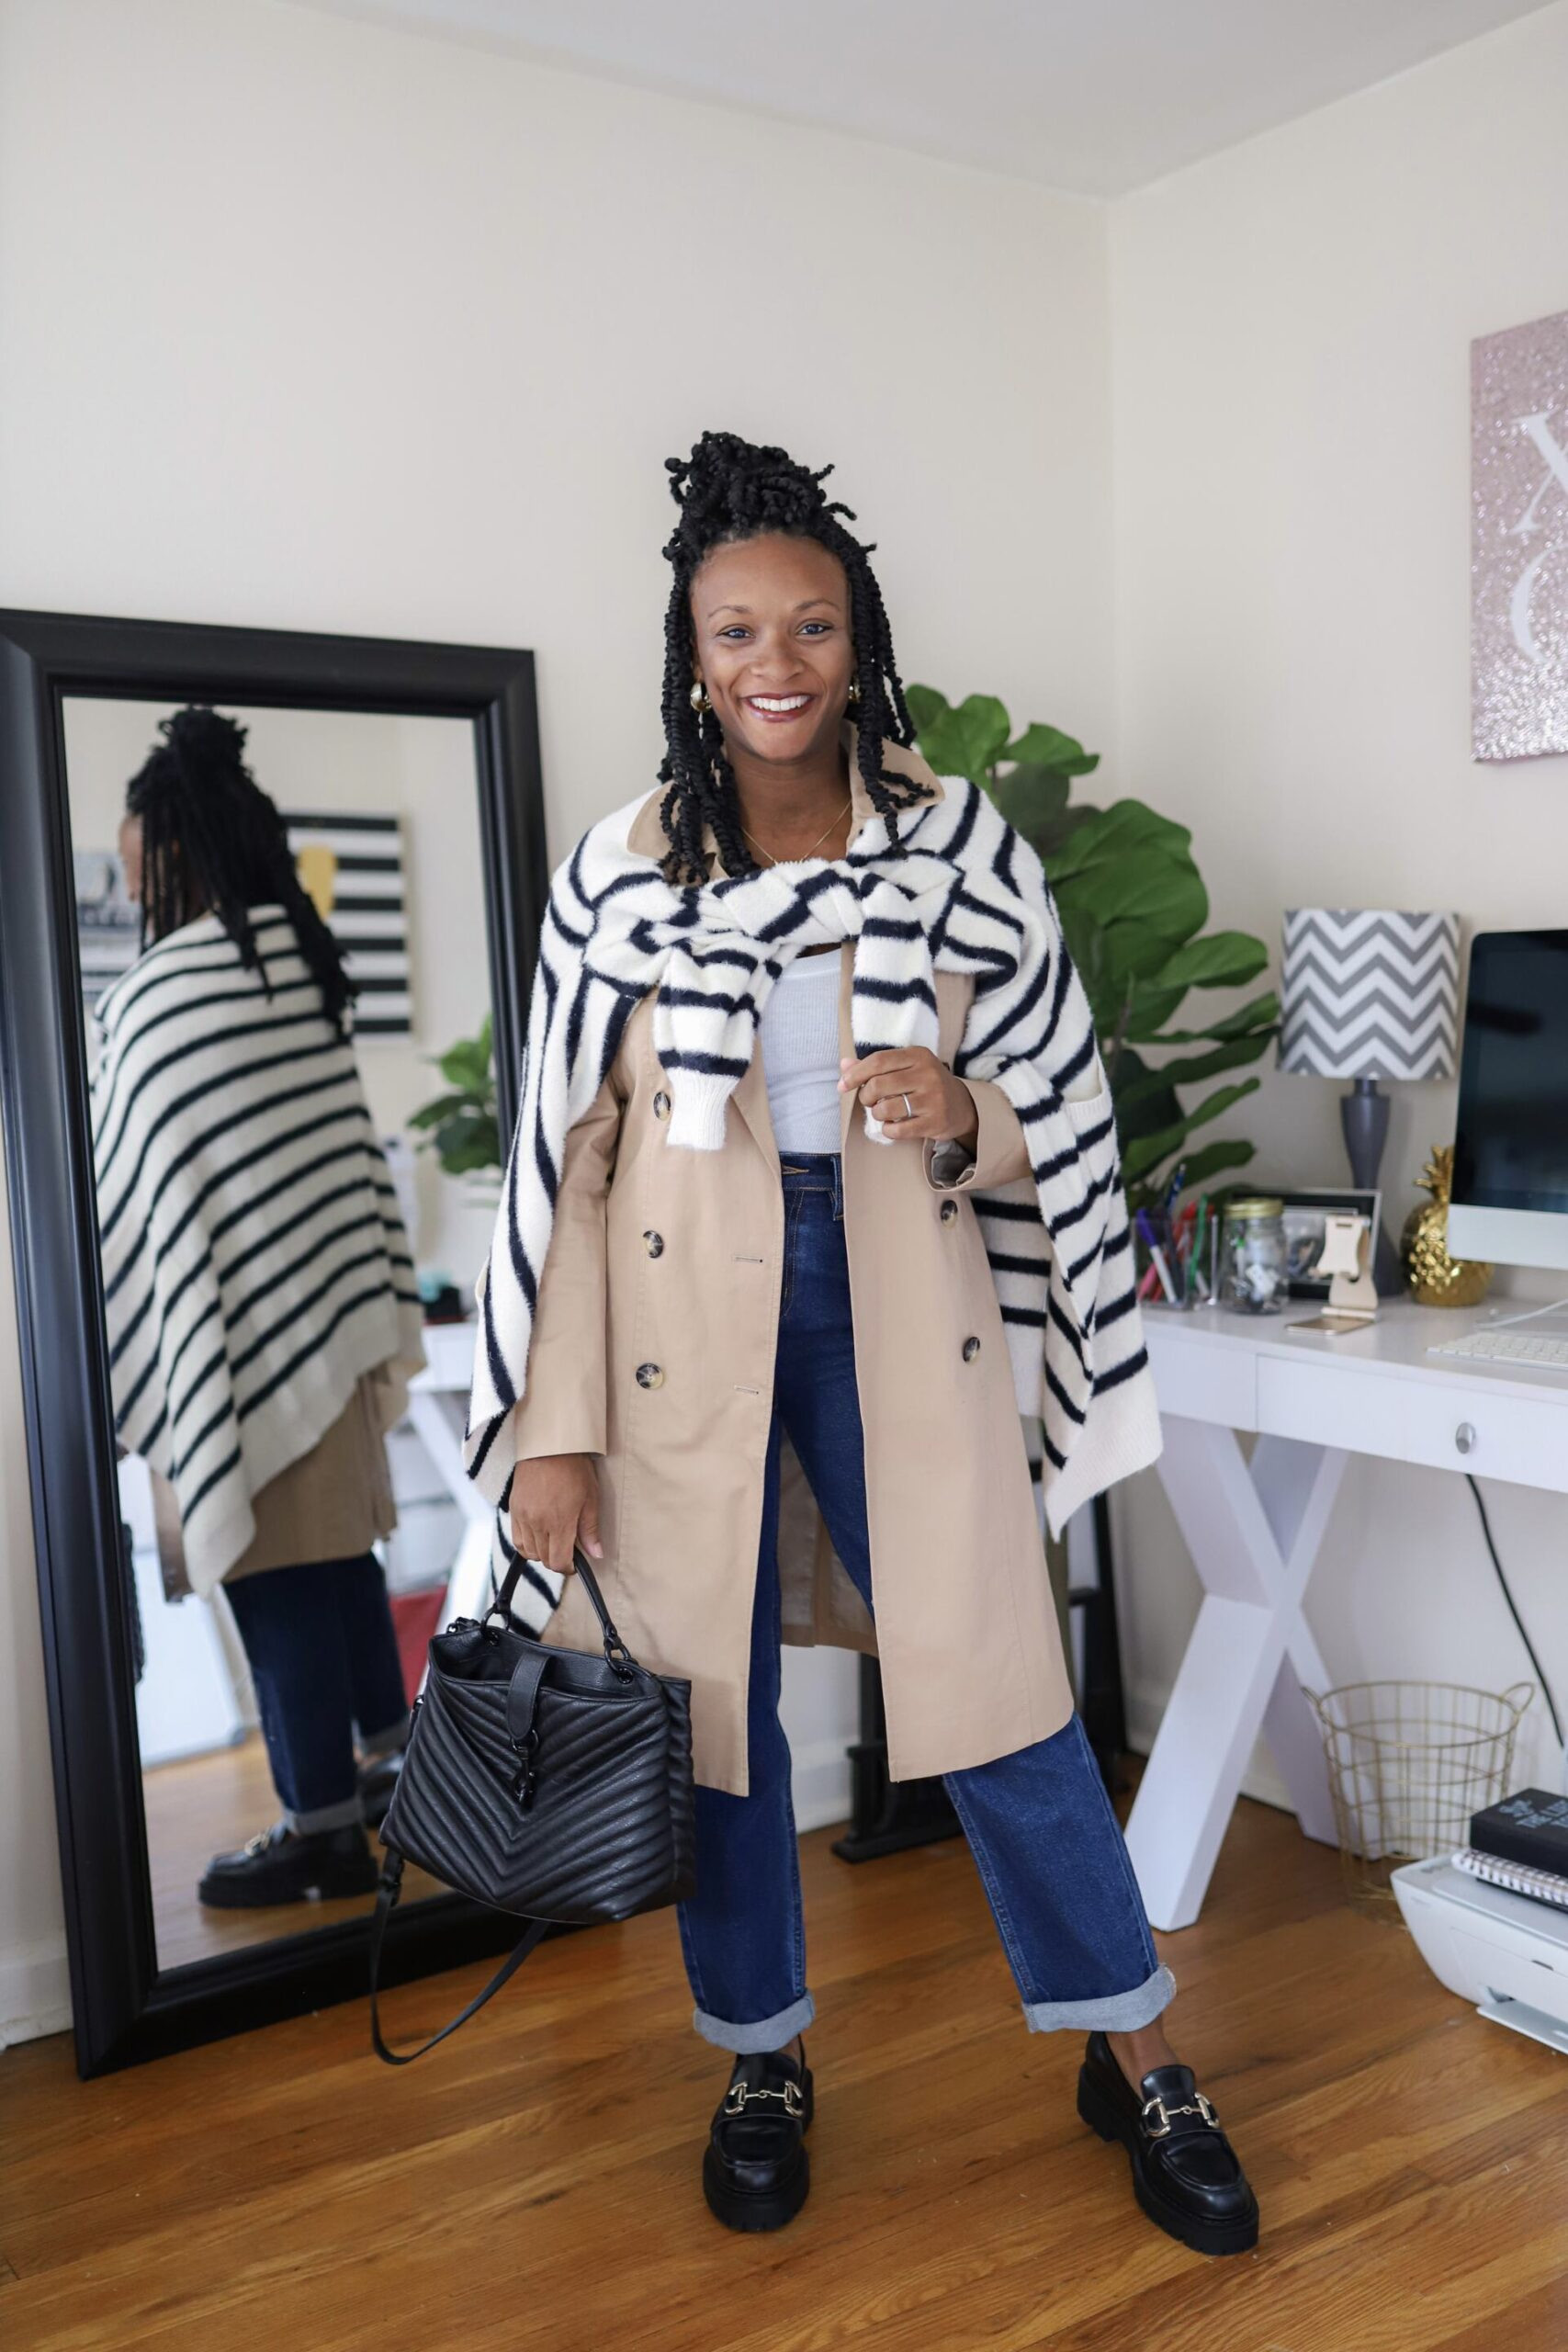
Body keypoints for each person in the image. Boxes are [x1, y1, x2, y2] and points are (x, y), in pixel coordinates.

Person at [466, 434, 1258, 2255]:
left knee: (996, 1685)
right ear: (690, 651)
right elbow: (564, 1166)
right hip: (678, 1315)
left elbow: (1052, 1101)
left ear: (856, 636)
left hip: (896, 1297)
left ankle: (1131, 2045)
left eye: (809, 621)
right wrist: (552, 1428)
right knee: (717, 1714)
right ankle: (759, 2051)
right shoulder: (624, 869)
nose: (774, 657)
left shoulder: (952, 841)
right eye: (736, 625)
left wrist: (957, 1103)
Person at [93, 707, 426, 1907]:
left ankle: (320, 1829)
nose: (127, 875)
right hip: (325, 1332)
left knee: (275, 1576)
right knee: (341, 1563)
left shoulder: (155, 998)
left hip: (232, 1341)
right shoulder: (294, 954)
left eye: (135, 857)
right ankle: (397, 1777)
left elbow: (127, 1188)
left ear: (176, 850)